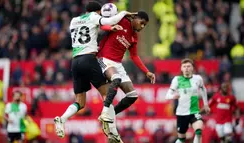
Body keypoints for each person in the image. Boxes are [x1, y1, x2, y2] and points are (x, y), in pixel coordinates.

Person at [53, 1, 134, 139]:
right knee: (108, 92)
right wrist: (124, 13)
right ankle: (112, 131)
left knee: (80, 102)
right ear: (97, 11)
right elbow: (109, 20)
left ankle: (62, 119)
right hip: (89, 59)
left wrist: (109, 28)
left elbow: (92, 29)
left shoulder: (74, 20)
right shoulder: (93, 17)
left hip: (75, 61)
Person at [97, 10, 155, 140]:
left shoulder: (134, 36)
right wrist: (111, 27)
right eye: (142, 23)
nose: (142, 27)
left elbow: (134, 56)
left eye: (145, 25)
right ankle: (105, 112)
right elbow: (101, 25)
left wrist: (147, 72)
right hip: (103, 59)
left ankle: (110, 116)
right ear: (135, 18)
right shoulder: (121, 20)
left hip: (117, 64)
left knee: (133, 95)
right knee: (116, 78)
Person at [165, 58, 210, 143]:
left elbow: (203, 89)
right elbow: (167, 95)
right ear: (181, 69)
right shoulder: (177, 79)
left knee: (199, 131)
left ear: (192, 68)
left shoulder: (198, 78)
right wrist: (174, 96)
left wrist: (206, 104)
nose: (186, 68)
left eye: (188, 66)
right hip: (182, 113)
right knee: (181, 139)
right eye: (184, 66)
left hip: (194, 111)